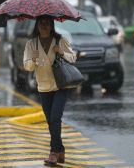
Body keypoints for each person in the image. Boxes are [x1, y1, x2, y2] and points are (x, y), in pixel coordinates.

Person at [23, 15, 77, 165]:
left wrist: (61, 52)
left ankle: (53, 152)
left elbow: (73, 58)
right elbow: (27, 67)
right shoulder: (31, 44)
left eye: (47, 23)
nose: (44, 25)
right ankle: (60, 150)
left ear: (52, 24)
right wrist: (32, 60)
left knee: (55, 118)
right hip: (44, 87)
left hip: (60, 85)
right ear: (37, 25)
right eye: (41, 23)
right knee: (50, 121)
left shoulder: (60, 40)